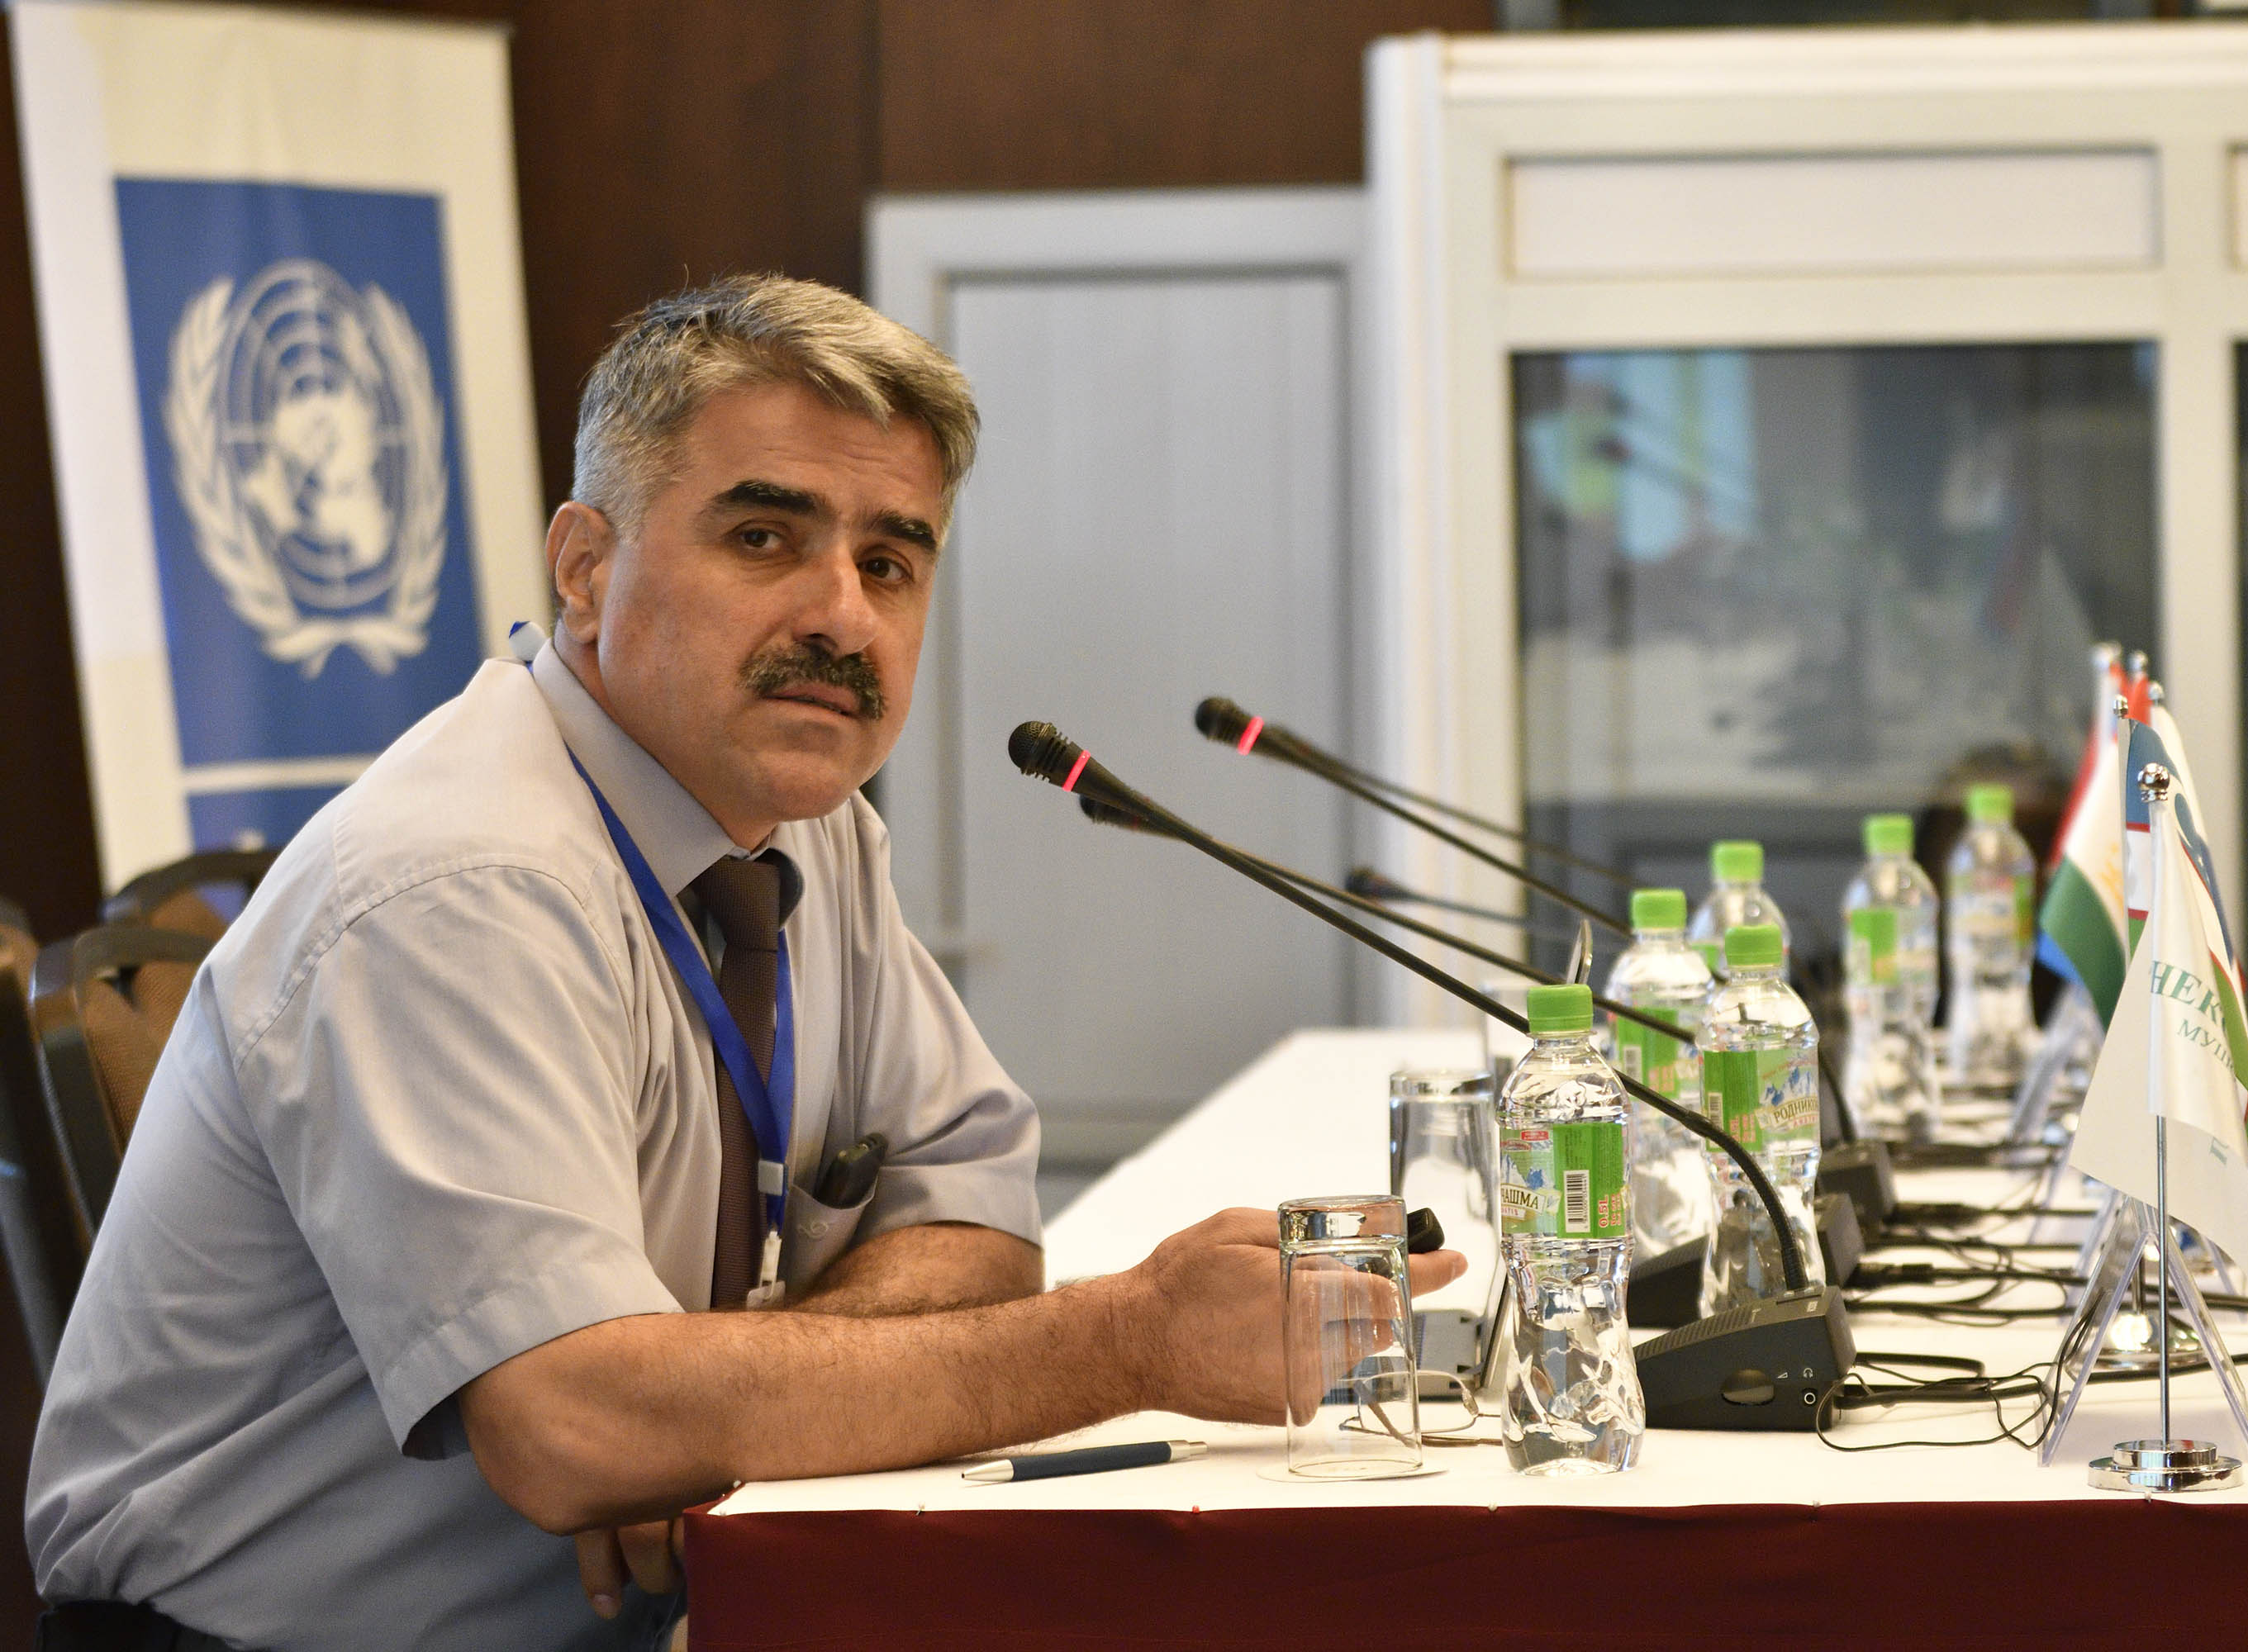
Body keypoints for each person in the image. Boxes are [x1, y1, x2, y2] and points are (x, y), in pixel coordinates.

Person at [26, 275, 1463, 1651]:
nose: (842, 614)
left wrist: (712, 1419)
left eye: (889, 562)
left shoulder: (806, 828)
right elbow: (571, 1427)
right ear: (585, 569)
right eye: (766, 538)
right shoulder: (459, 881)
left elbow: (978, 1210)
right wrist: (1131, 1341)